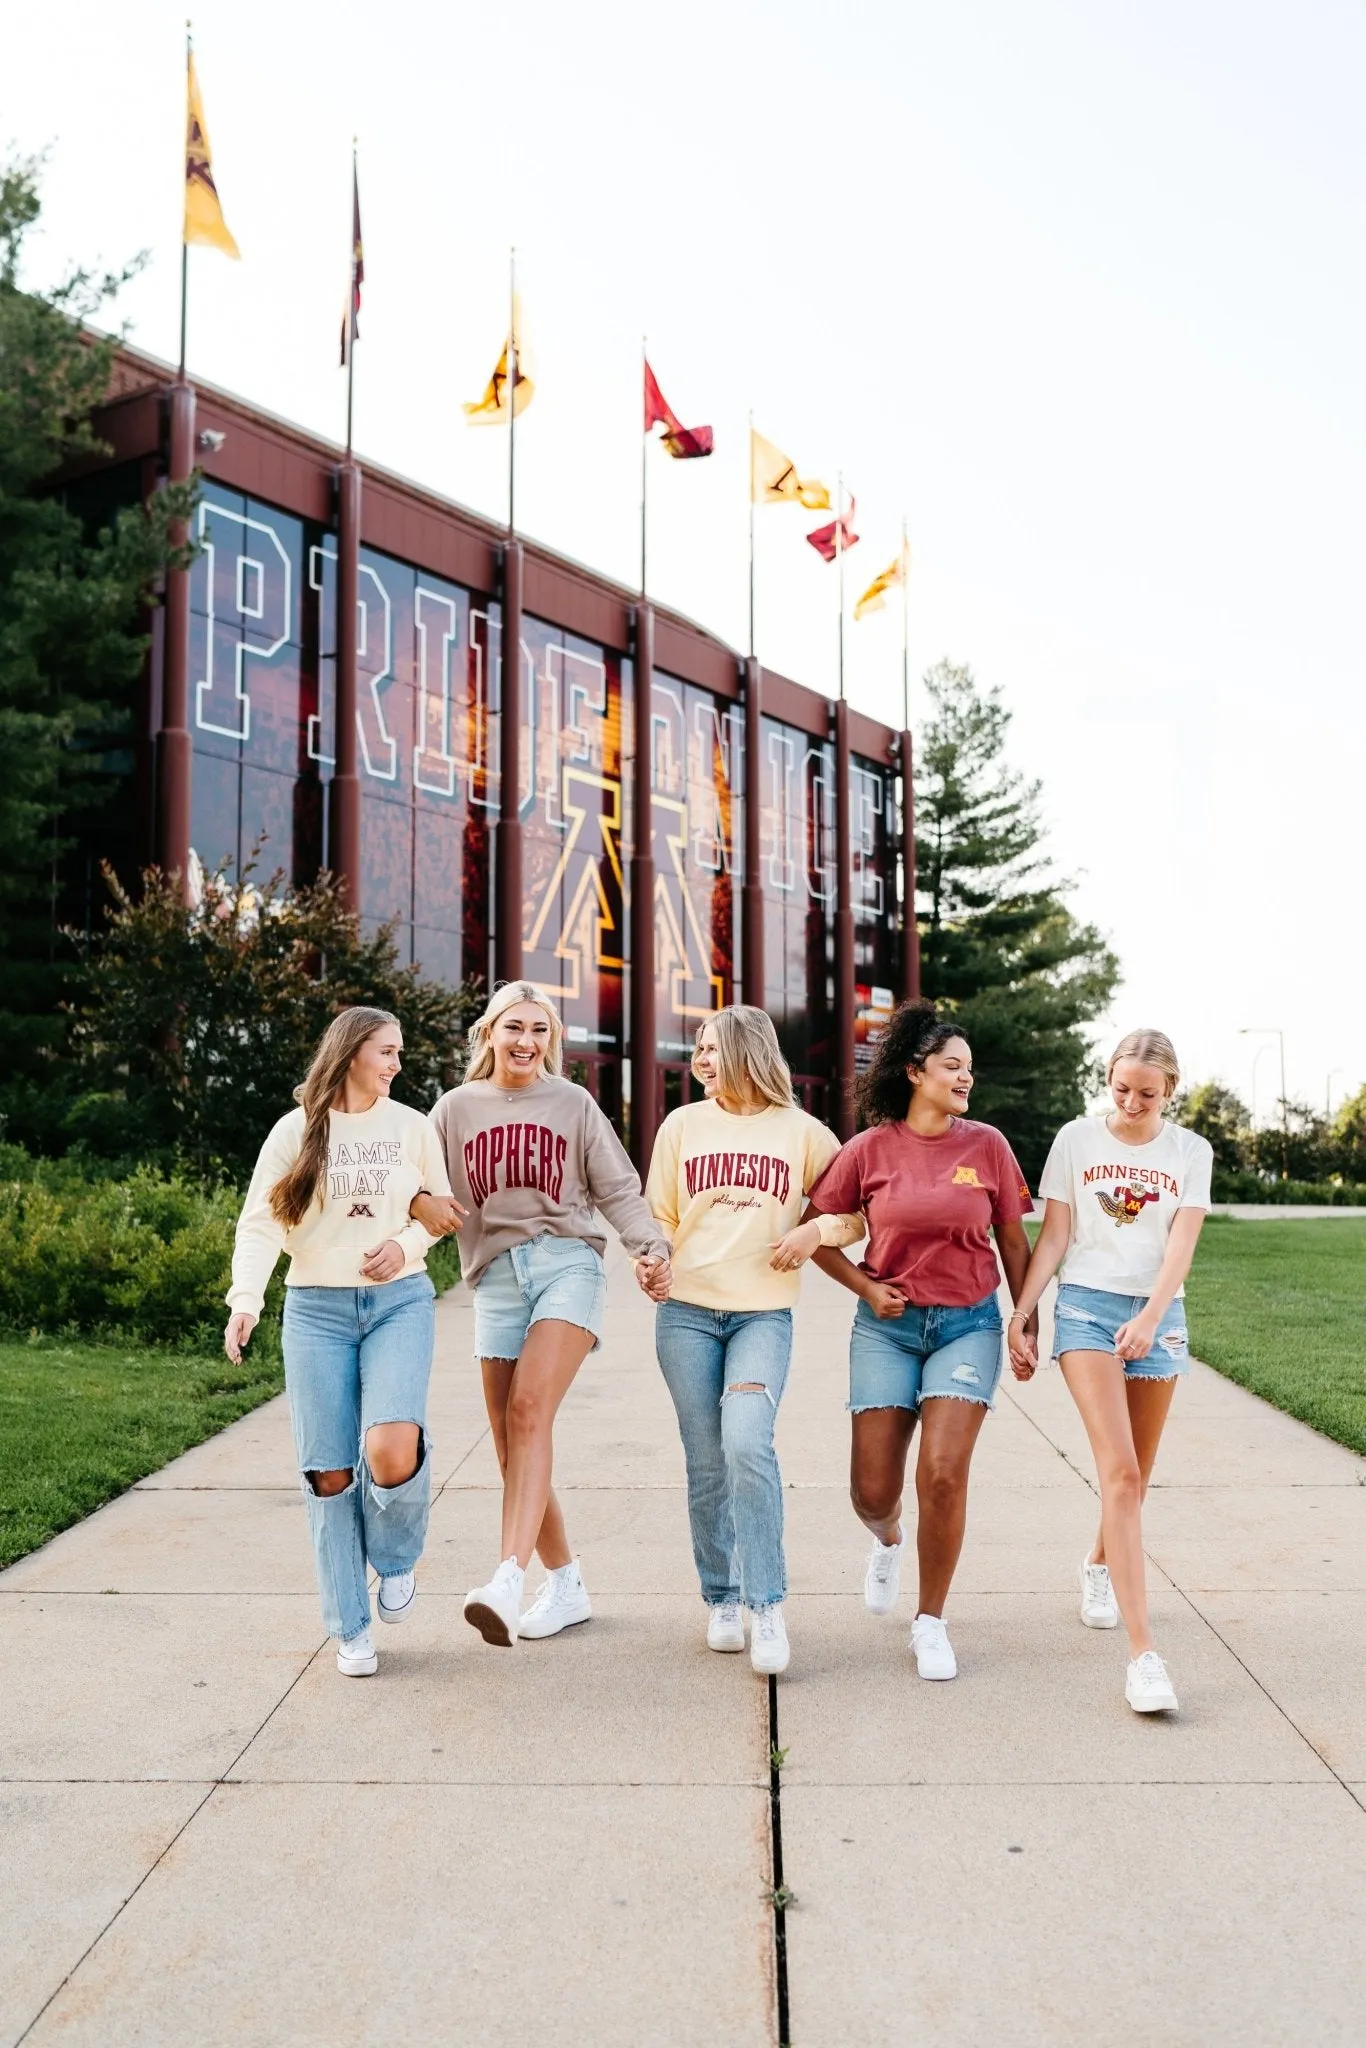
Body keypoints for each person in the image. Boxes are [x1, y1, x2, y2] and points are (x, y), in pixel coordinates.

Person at [414, 980, 672, 1648]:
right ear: (489, 1034)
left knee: (529, 1411)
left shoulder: (573, 1103)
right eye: (514, 1028)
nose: (527, 1042)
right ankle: (567, 1584)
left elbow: (616, 1186)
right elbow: (422, 1196)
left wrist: (649, 1248)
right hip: (495, 1281)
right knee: (510, 1447)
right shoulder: (453, 1110)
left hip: (567, 1266)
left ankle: (507, 1577)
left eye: (539, 1031)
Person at [805, 1000, 1034, 1682]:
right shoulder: (869, 1149)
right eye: (951, 1066)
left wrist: (1025, 1316)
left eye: (970, 1068)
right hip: (887, 1329)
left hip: (969, 1324)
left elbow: (1014, 1239)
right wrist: (867, 1288)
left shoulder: (987, 1145)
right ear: (914, 1071)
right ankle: (888, 1540)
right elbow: (814, 1230)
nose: (966, 1078)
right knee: (871, 1492)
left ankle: (930, 1620)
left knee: (942, 1471)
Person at [225, 1007, 456, 1678]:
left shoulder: (413, 1126)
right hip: (316, 1312)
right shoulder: (295, 1131)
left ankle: (396, 1557)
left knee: (390, 1446)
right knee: (329, 1473)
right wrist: (247, 1299)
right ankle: (350, 1626)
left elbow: (439, 1212)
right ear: (351, 1051)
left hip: (399, 1303)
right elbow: (262, 1223)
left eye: (398, 1053)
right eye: (386, 1051)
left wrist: (405, 1242)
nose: (395, 1063)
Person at [642, 1006, 865, 1677]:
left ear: (746, 1052)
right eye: (698, 1050)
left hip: (762, 1317)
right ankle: (722, 1597)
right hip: (684, 1313)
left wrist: (812, 1233)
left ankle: (766, 1604)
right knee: (706, 1459)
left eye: (712, 1049)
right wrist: (647, 1260)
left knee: (746, 1441)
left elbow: (854, 1214)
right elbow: (659, 1217)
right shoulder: (681, 1127)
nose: (700, 1061)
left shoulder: (803, 1134)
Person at [1006, 1028, 1212, 1715]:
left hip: (1159, 1316)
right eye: (1120, 1089)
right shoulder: (1076, 1140)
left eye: (1146, 1095)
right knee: (1118, 1472)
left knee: (1137, 1477)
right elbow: (1058, 1234)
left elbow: (1181, 1246)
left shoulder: (1189, 1151)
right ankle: (1143, 1655)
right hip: (1089, 1311)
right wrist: (1025, 1310)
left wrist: (1153, 1316)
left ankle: (1098, 1564)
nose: (1129, 1103)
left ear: (1169, 1093)